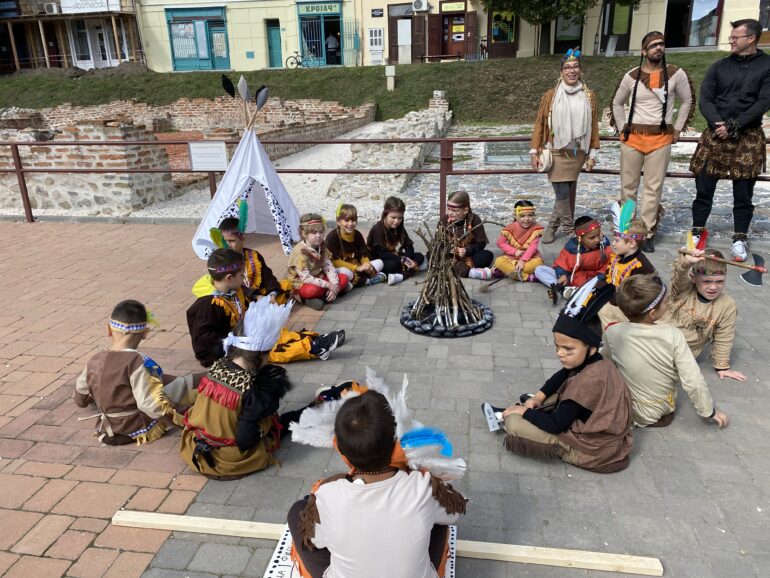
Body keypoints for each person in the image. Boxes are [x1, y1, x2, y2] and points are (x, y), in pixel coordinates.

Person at [287, 390, 467, 578]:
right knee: (439, 511)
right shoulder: (422, 486)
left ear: (340, 449)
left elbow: (316, 539)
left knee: (298, 511)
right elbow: (453, 514)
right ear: (397, 442)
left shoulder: (327, 495)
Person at [483, 277, 633, 473]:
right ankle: (524, 407)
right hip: (597, 429)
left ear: (592, 349)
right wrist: (539, 396)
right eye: (557, 346)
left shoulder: (588, 382)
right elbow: (561, 376)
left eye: (568, 349)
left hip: (593, 450)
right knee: (549, 396)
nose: (560, 353)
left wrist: (524, 413)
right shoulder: (595, 361)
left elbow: (555, 426)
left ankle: (507, 416)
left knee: (514, 423)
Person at [181, 299, 317, 479]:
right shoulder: (251, 391)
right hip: (226, 459)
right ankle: (317, 408)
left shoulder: (218, 367)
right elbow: (245, 440)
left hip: (196, 448)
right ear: (260, 356)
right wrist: (263, 425)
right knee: (279, 424)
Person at [690, 19, 770, 262]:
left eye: (736, 36)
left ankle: (739, 238)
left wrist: (736, 125)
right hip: (716, 133)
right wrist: (719, 124)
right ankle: (696, 232)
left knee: (743, 194)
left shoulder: (767, 66)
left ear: (751, 38)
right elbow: (705, 99)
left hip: (748, 135)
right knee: (704, 187)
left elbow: (764, 102)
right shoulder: (719, 66)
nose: (731, 40)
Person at [604, 274, 730, 429]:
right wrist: (709, 411)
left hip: (624, 403)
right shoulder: (673, 335)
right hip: (656, 410)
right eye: (665, 302)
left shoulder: (612, 331)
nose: (667, 304)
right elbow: (693, 380)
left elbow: (605, 365)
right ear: (652, 313)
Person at [611, 31, 695, 253]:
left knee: (652, 189)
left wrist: (677, 129)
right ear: (644, 50)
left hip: (660, 139)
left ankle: (646, 234)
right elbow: (617, 103)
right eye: (653, 45)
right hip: (632, 139)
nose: (658, 48)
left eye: (661, 44)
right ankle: (626, 230)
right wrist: (622, 129)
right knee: (628, 188)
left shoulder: (676, 74)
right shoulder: (632, 76)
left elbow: (687, 100)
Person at [187, 248, 344, 367]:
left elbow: (247, 292)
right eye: (242, 275)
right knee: (269, 347)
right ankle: (313, 347)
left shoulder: (230, 288)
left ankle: (314, 338)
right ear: (229, 278)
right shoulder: (208, 305)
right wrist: (234, 344)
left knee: (274, 333)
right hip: (228, 351)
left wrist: (258, 299)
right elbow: (203, 341)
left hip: (243, 335)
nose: (244, 279)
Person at [74, 300, 196, 445]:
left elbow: (80, 397)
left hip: (106, 427)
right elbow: (150, 406)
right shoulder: (136, 362)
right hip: (132, 428)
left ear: (108, 329)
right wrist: (181, 422)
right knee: (184, 384)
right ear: (145, 334)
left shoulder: (95, 359)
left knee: (162, 380)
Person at [530, 47, 600, 244]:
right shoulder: (551, 95)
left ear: (580, 70)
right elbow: (540, 123)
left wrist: (592, 153)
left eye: (575, 67)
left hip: (577, 152)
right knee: (561, 194)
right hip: (557, 151)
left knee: (563, 194)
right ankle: (570, 230)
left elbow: (593, 125)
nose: (572, 70)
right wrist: (534, 150)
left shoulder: (589, 96)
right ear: (561, 72)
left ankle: (552, 226)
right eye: (567, 67)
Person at [659, 249, 745, 381]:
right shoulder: (683, 290)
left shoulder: (727, 305)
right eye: (707, 281)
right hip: (656, 343)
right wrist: (686, 262)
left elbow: (724, 336)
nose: (713, 287)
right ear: (693, 278)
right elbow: (678, 275)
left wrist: (722, 367)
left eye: (720, 281)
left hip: (683, 356)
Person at [534, 215, 612, 306]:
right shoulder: (571, 248)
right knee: (539, 270)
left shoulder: (604, 248)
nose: (597, 240)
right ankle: (564, 289)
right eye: (592, 238)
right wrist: (562, 275)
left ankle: (569, 291)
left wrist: (599, 280)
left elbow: (607, 267)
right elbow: (561, 264)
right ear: (580, 238)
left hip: (593, 281)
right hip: (572, 278)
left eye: (599, 235)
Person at [212, 217, 292, 304]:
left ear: (242, 238)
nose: (227, 245)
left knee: (285, 285)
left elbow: (267, 276)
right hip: (238, 296)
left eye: (231, 241)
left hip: (258, 295)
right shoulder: (221, 262)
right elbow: (231, 286)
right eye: (224, 241)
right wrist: (255, 296)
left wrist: (273, 294)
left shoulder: (254, 255)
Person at [598, 217, 656, 328]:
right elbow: (608, 277)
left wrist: (606, 296)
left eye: (617, 240)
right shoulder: (618, 257)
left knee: (600, 308)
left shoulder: (641, 267)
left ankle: (613, 337)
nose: (613, 244)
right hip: (615, 298)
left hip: (632, 311)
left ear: (632, 243)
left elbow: (635, 299)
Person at [286, 213, 351, 309]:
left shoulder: (321, 245)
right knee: (312, 290)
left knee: (344, 278)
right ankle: (309, 298)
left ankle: (328, 295)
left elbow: (328, 266)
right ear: (304, 234)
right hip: (304, 283)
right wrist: (329, 285)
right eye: (314, 233)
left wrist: (334, 286)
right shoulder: (300, 251)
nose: (318, 236)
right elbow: (306, 278)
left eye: (321, 232)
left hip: (319, 277)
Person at [366, 196, 425, 286]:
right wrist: (402, 260)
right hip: (379, 260)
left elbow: (408, 245)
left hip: (394, 256)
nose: (396, 221)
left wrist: (408, 259)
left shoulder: (399, 227)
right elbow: (382, 254)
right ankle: (404, 274)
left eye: (400, 218)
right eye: (393, 217)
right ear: (385, 214)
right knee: (393, 265)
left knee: (419, 256)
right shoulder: (377, 229)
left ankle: (401, 274)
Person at [326, 203, 386, 287]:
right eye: (346, 220)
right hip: (344, 268)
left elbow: (363, 254)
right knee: (345, 272)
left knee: (380, 262)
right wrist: (356, 268)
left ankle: (355, 283)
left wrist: (367, 265)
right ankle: (368, 281)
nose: (350, 224)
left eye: (353, 220)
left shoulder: (357, 234)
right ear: (338, 221)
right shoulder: (332, 237)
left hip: (358, 267)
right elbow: (335, 262)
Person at [485, 200, 544, 281]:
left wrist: (523, 260)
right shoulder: (510, 228)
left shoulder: (535, 228)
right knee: (499, 261)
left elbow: (533, 247)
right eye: (522, 216)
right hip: (511, 258)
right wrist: (515, 251)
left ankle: (505, 272)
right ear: (516, 216)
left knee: (538, 264)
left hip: (529, 258)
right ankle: (527, 277)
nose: (526, 219)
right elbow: (500, 243)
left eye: (530, 215)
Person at [440, 190, 493, 278]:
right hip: (450, 257)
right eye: (448, 209)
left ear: (465, 210)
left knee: (487, 255)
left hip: (468, 257)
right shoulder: (444, 221)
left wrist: (467, 250)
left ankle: (450, 270)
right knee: (430, 254)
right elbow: (438, 244)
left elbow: (481, 243)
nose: (450, 213)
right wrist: (449, 249)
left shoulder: (474, 220)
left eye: (455, 210)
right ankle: (470, 273)